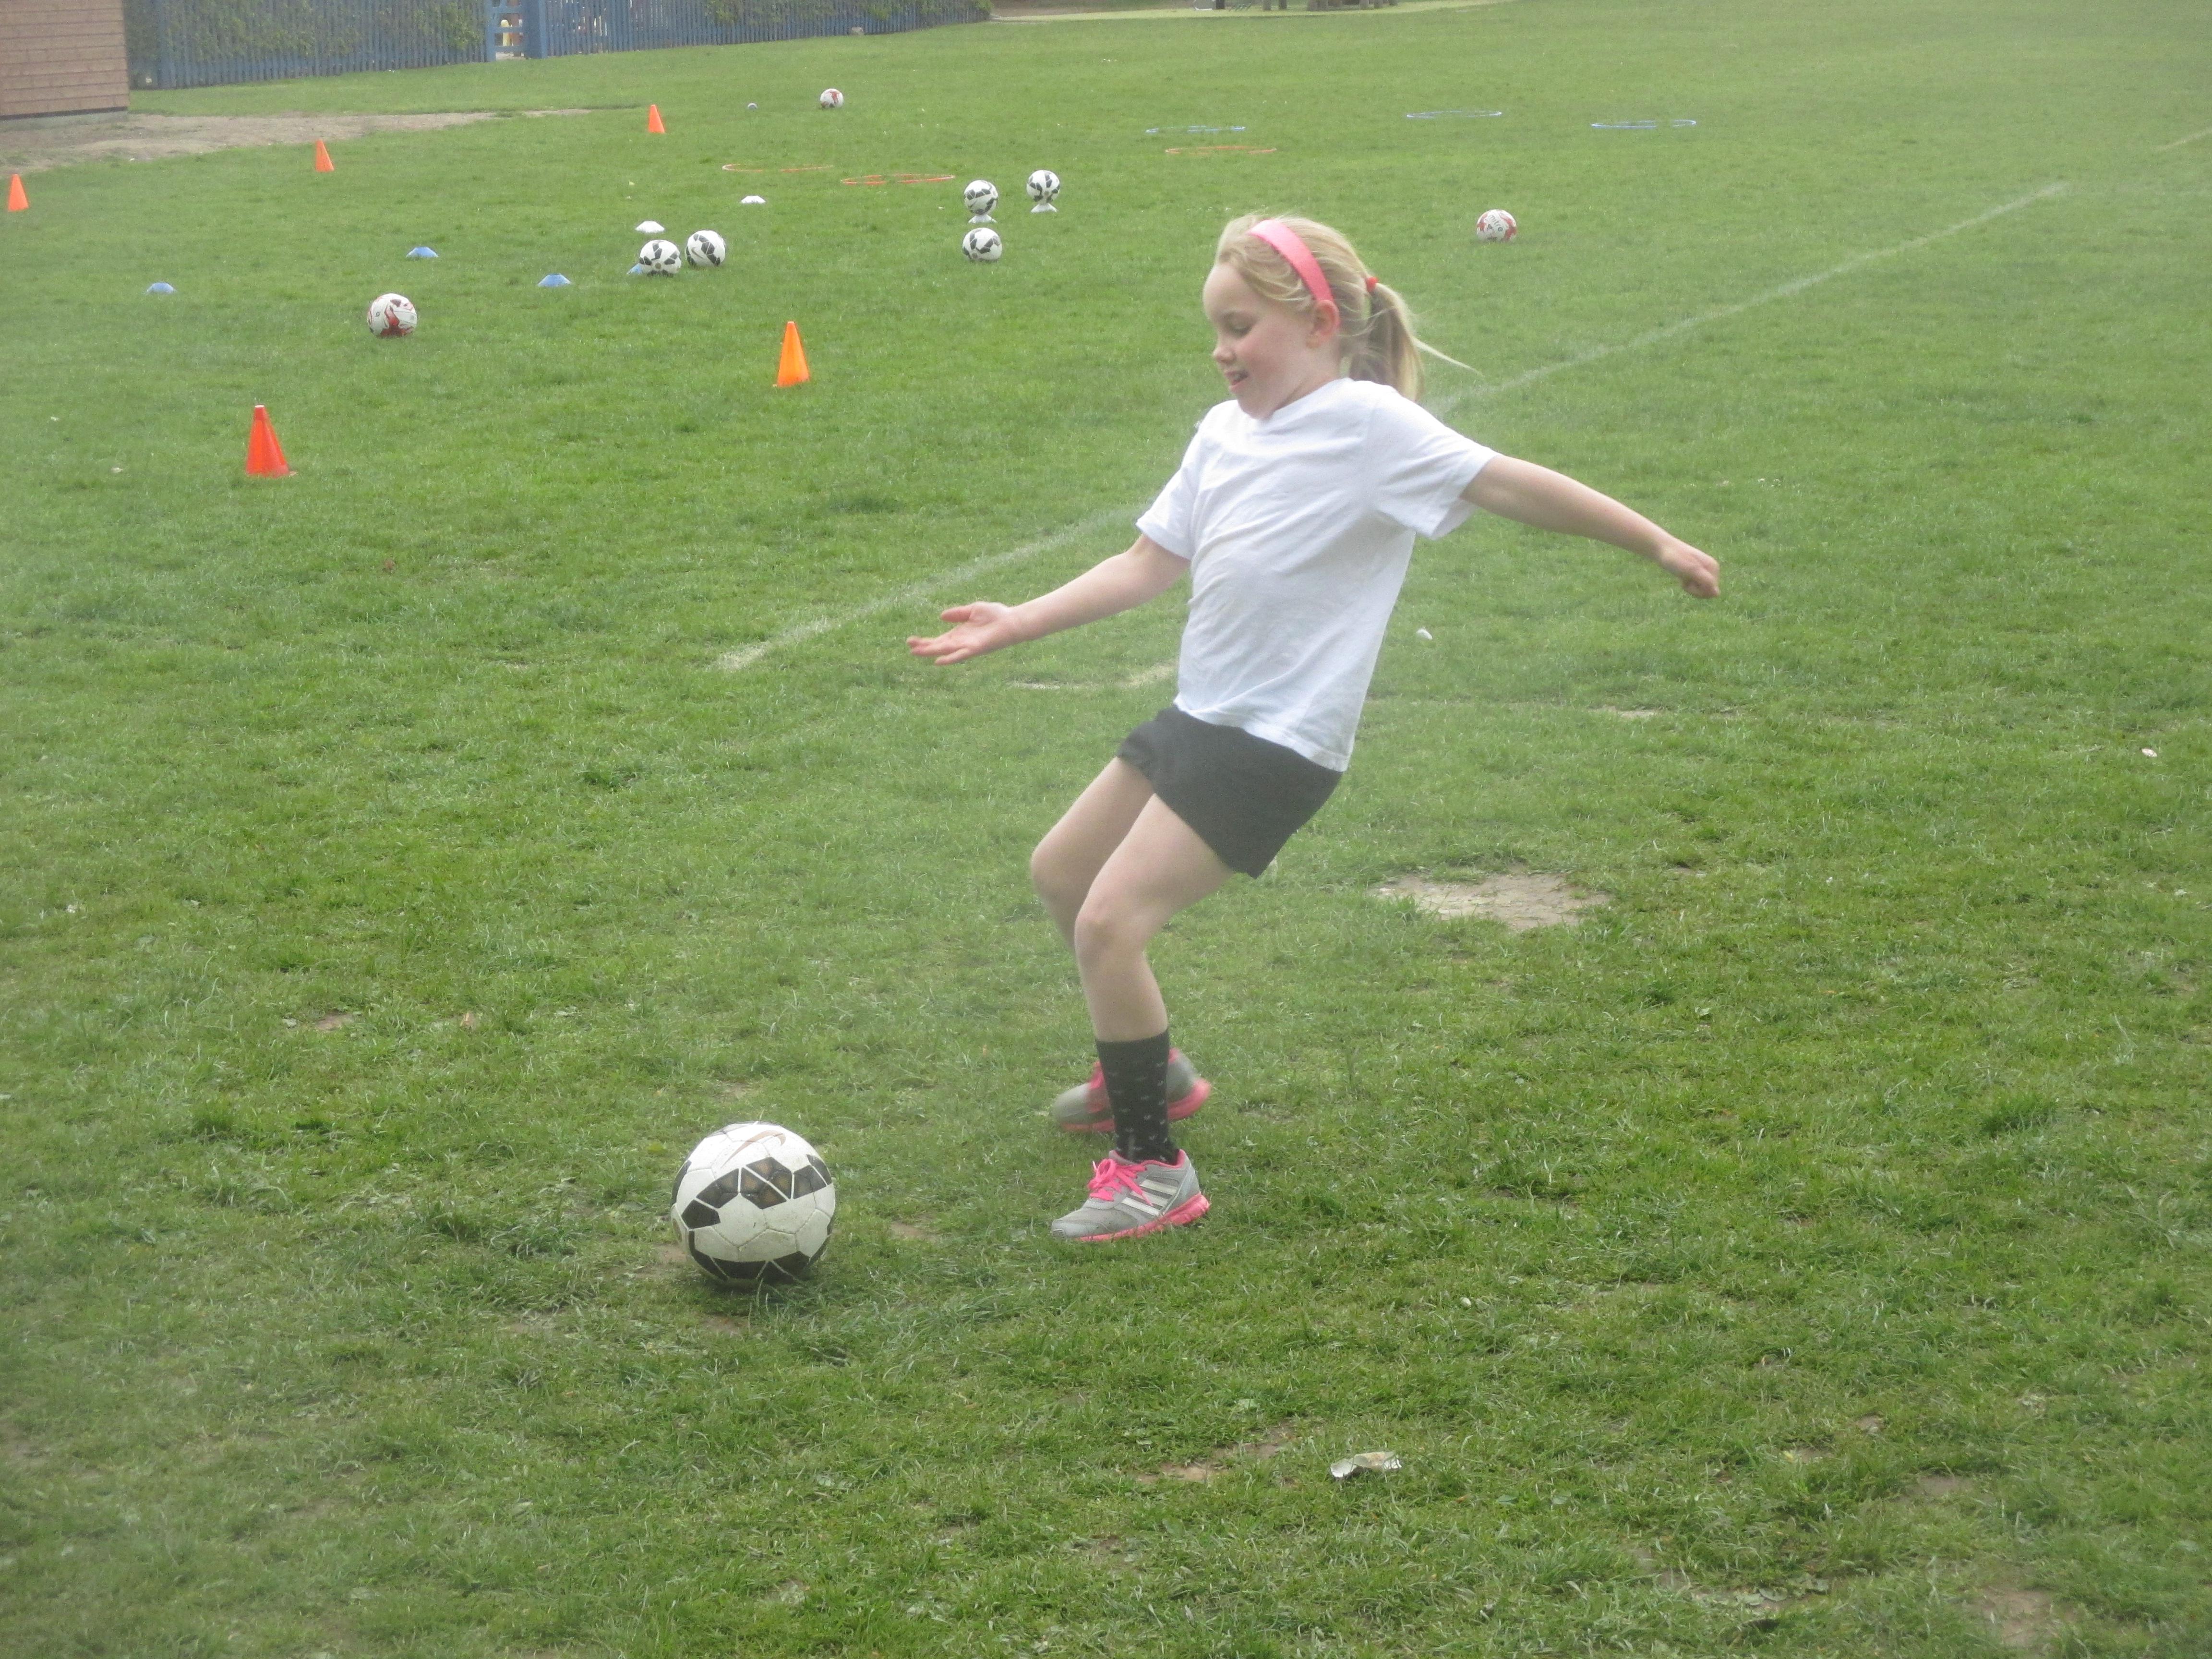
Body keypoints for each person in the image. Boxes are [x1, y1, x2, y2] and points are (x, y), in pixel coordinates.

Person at [907, 213, 1719, 1243]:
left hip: (1277, 744)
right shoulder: (1221, 432)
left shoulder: (1370, 426)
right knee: (1063, 873)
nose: (1222, 349)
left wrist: (1657, 544)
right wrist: (1019, 619)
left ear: (1320, 324)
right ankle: (1153, 1074)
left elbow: (1510, 482)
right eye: (1215, 328)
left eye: (1240, 326)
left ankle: (1155, 1169)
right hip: (1202, 714)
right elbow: (1149, 563)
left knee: (1112, 924)